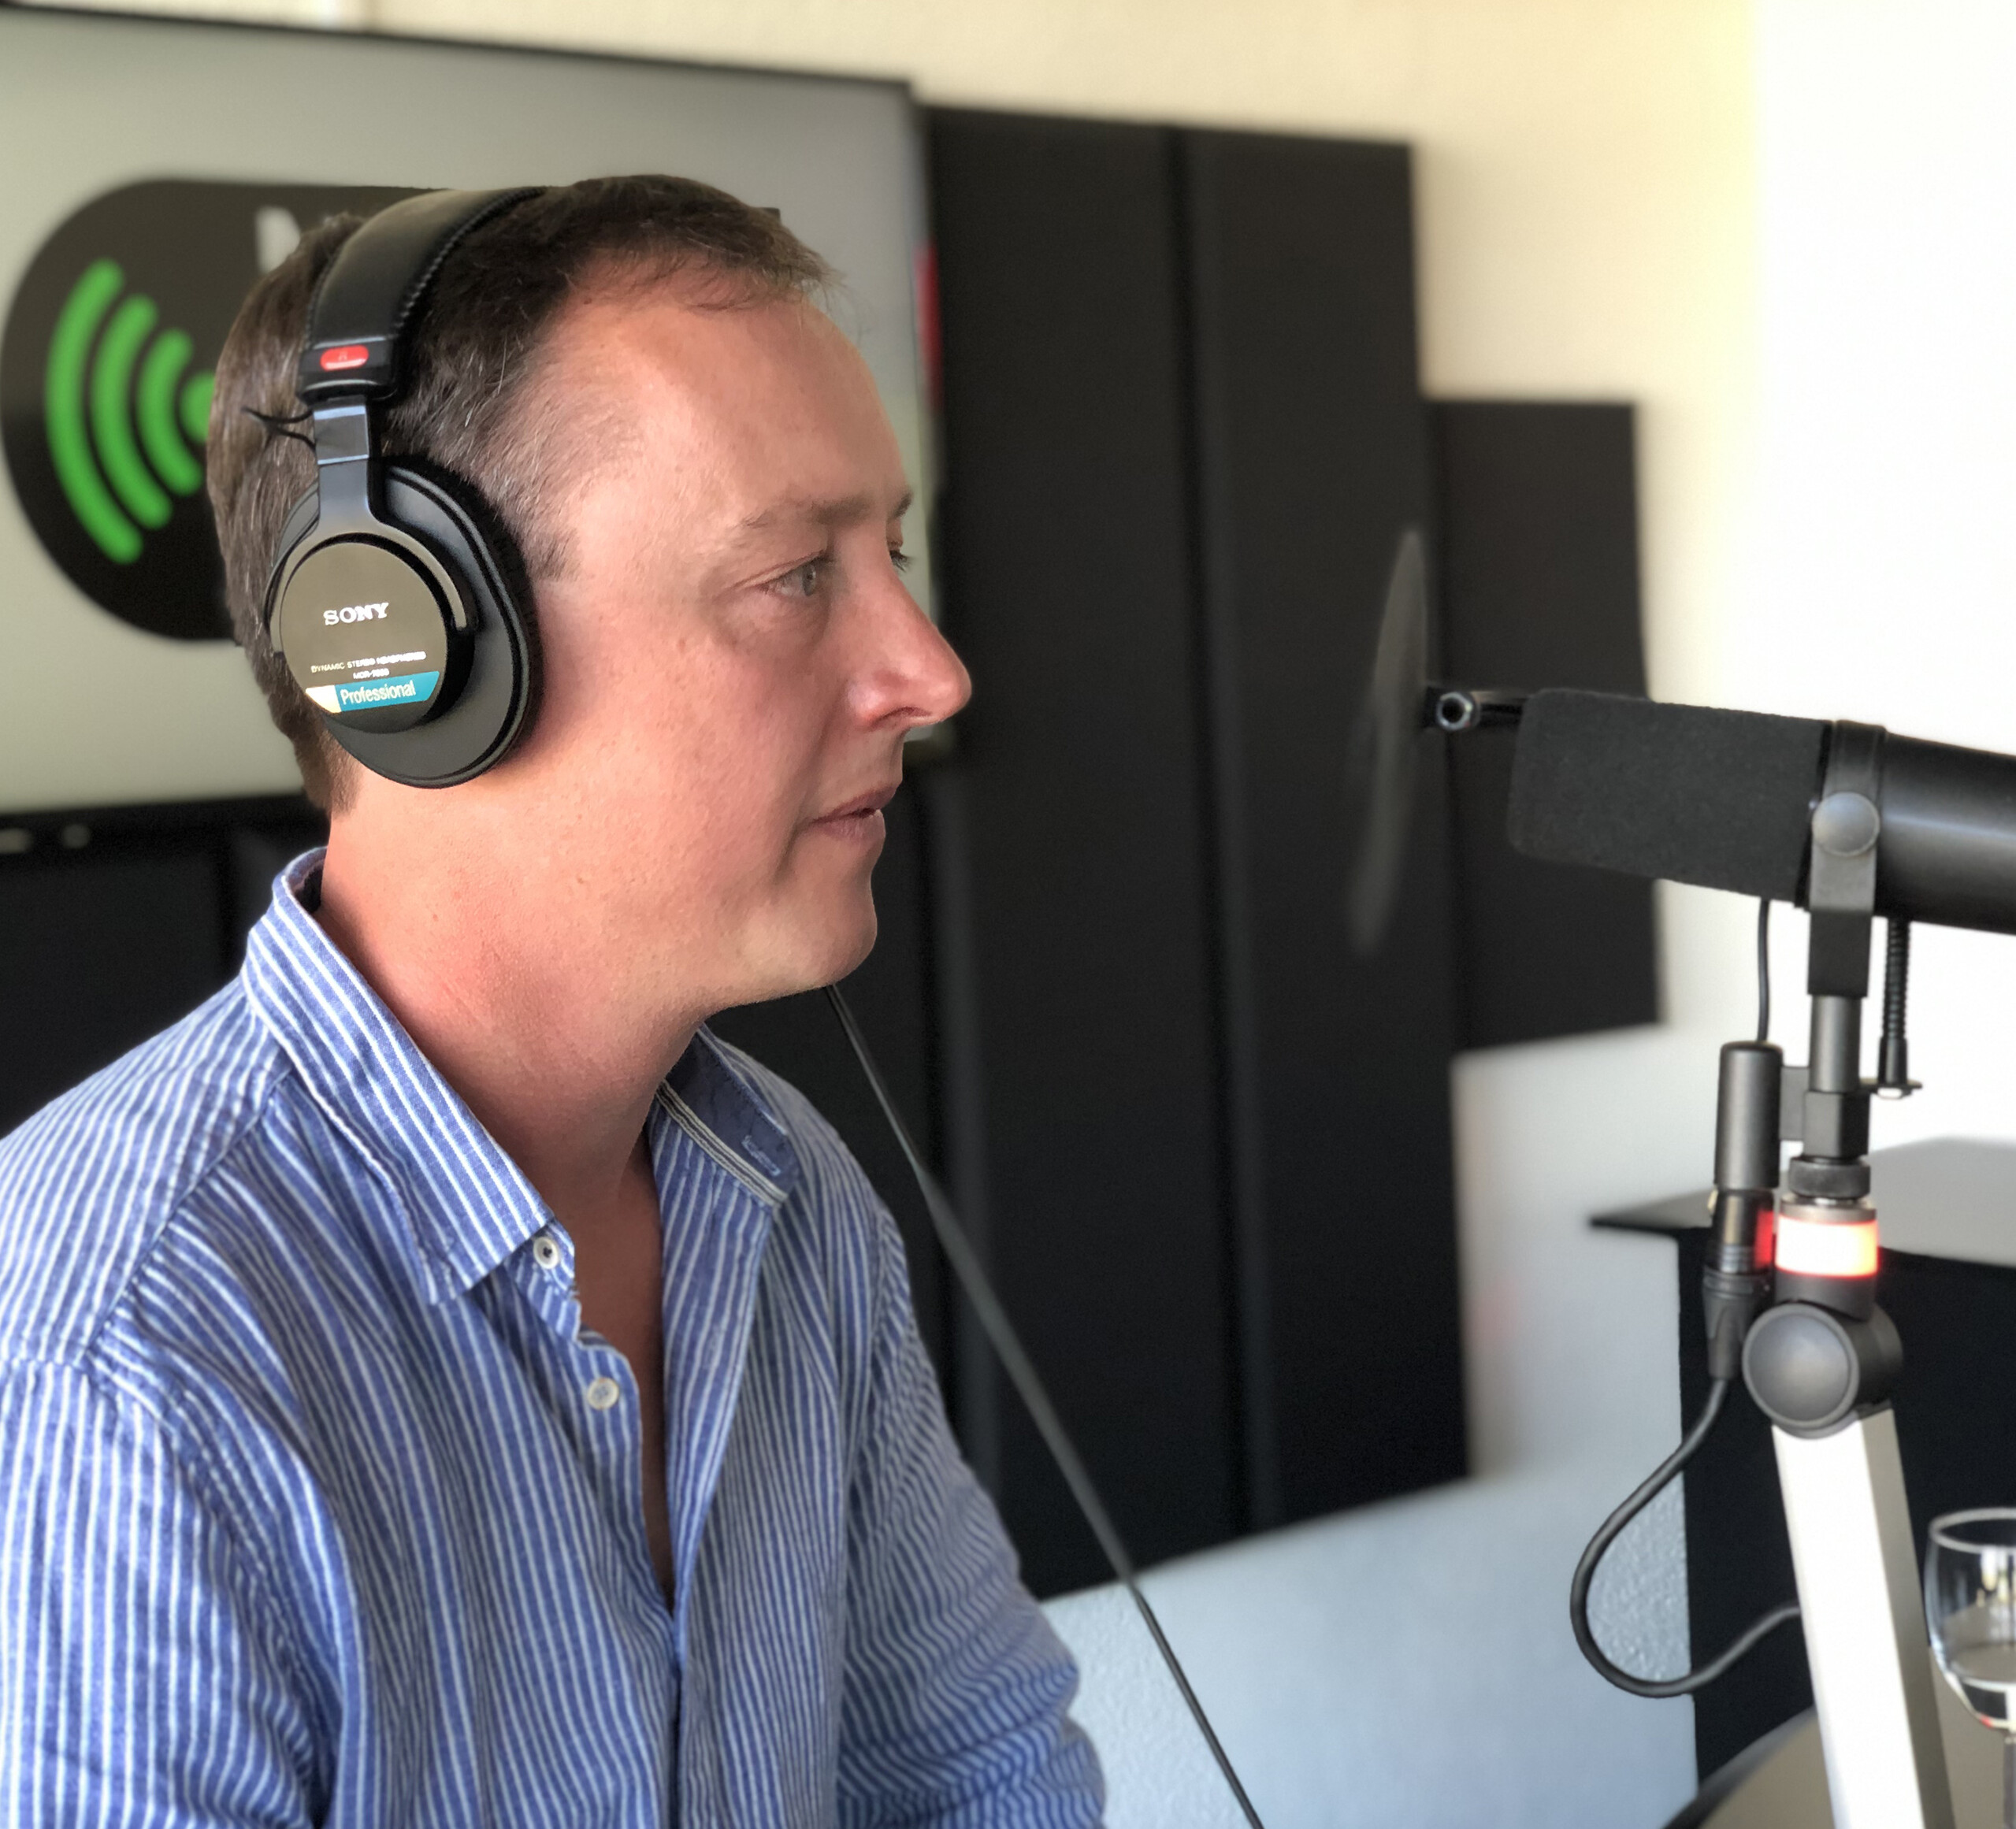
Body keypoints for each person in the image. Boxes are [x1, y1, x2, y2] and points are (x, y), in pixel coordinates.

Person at [0, 176, 1104, 1826]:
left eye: (891, 552)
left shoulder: (787, 1201)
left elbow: (978, 1780)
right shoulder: (118, 1370)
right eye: (795, 575)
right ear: (411, 646)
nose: (929, 672)